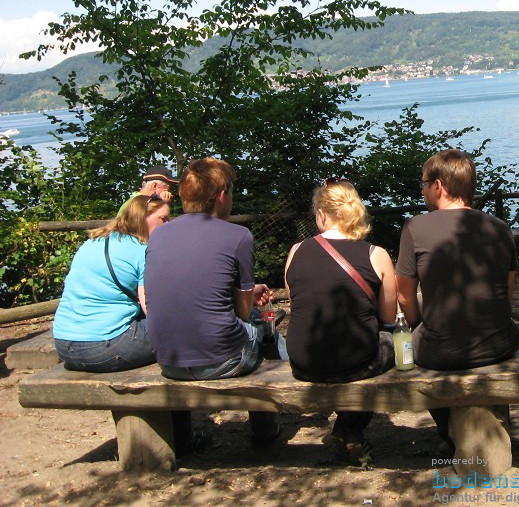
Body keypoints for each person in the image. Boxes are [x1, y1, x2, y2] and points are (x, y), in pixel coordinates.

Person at [144, 157, 284, 444]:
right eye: (231, 192)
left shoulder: (159, 235)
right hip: (222, 359)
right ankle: (266, 430)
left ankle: (181, 439)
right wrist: (248, 298)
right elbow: (244, 312)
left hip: (168, 359)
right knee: (263, 327)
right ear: (222, 196)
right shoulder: (238, 235)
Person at [396, 149, 519, 450]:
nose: (423, 189)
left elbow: (404, 296)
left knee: (410, 347)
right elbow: (508, 291)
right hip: (499, 345)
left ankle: (448, 431)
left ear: (438, 186)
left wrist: (418, 325)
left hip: (440, 352)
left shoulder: (415, 228)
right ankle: (489, 424)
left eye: (424, 183)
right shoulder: (499, 228)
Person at [284, 178, 397, 463]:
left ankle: (348, 428)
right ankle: (350, 427)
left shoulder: (297, 251)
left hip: (304, 361)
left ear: (321, 215)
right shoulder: (377, 255)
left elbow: (296, 299)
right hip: (354, 362)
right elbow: (388, 317)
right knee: (387, 343)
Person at [53, 194, 170, 371]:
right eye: (163, 219)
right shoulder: (142, 251)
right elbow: (151, 308)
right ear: (143, 218)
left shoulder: (93, 241)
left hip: (63, 345)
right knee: (175, 327)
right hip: (106, 347)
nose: (168, 225)